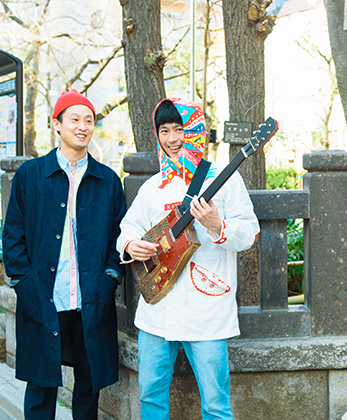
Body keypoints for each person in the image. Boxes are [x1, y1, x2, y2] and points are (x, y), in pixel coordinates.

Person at [116, 98, 260, 419]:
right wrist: (130, 245)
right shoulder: (153, 187)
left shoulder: (225, 180)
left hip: (207, 308)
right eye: (164, 130)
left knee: (215, 403)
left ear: (196, 130)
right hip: (157, 310)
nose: (171, 139)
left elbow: (249, 233)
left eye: (180, 129)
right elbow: (129, 227)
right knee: (150, 395)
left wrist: (217, 225)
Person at [2, 89, 126, 420]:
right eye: (74, 119)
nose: (83, 126)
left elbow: (119, 235)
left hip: (90, 296)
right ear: (57, 124)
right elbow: (13, 235)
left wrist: (110, 277)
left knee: (88, 387)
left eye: (89, 120)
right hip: (44, 294)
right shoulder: (31, 175)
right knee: (41, 386)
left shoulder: (108, 180)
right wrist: (23, 282)